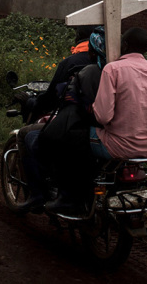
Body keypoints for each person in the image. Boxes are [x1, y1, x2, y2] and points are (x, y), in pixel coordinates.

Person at [17, 25, 94, 213]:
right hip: (105, 126)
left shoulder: (71, 62)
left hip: (74, 123)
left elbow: (52, 97)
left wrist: (34, 103)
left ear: (78, 39)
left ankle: (37, 195)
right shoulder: (111, 62)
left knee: (28, 137)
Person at [41, 27, 106, 213]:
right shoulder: (126, 71)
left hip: (95, 128)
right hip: (143, 141)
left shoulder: (89, 71)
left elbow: (99, 113)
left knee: (53, 140)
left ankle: (65, 196)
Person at [90, 27, 147, 161]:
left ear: (125, 45)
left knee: (78, 135)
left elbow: (103, 117)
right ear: (146, 49)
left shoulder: (112, 69)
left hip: (114, 147)